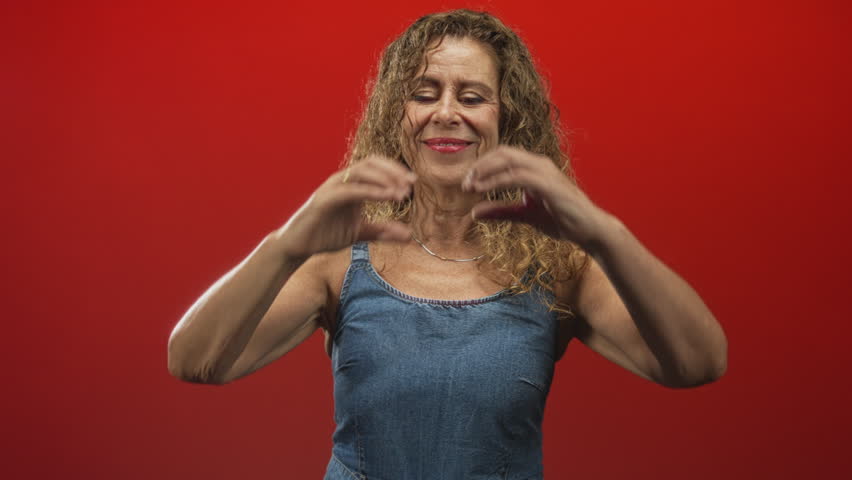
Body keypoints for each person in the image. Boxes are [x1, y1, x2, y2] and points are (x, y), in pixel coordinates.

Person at [167, 9, 728, 479]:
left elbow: (699, 362)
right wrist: (287, 244)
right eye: (424, 93)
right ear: (398, 115)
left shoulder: (559, 267)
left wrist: (605, 233)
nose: (446, 113)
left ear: (505, 119)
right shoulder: (339, 261)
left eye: (472, 96)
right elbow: (194, 361)